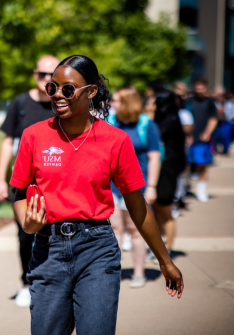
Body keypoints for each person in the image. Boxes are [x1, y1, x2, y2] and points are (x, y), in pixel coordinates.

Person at [11, 55, 183, 335]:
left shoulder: (116, 141)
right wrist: (26, 223)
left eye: (68, 89)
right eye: (52, 87)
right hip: (48, 250)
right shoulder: (34, 136)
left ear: (91, 92)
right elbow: (18, 193)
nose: (57, 95)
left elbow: (138, 208)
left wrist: (165, 261)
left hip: (97, 250)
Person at [0, 54, 59, 307]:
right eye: (43, 74)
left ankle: (49, 282)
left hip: (54, 183)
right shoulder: (20, 103)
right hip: (24, 183)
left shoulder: (61, 103)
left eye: (52, 75)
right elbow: (7, 141)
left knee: (52, 233)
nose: (47, 80)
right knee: (24, 234)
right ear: (35, 75)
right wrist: (1, 180)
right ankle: (25, 283)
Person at [108, 86, 161, 288]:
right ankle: (113, 272)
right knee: (114, 229)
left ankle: (139, 273)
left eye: (117, 100)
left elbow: (154, 157)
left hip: (139, 187)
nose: (112, 104)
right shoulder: (111, 123)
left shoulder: (147, 125)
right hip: (112, 187)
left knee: (137, 230)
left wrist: (153, 186)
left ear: (129, 102)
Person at [147, 87, 186, 253]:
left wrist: (148, 114)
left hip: (167, 168)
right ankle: (159, 247)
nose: (150, 103)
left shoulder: (169, 121)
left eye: (153, 101)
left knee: (165, 208)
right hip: (161, 167)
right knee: (155, 208)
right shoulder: (164, 118)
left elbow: (152, 136)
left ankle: (168, 247)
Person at [186, 78, 218, 202]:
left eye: (201, 85)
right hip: (189, 139)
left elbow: (213, 118)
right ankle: (184, 188)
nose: (199, 88)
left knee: (203, 165)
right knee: (185, 165)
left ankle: (201, 190)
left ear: (205, 87)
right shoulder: (188, 101)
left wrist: (207, 132)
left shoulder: (210, 103)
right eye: (197, 85)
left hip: (202, 139)